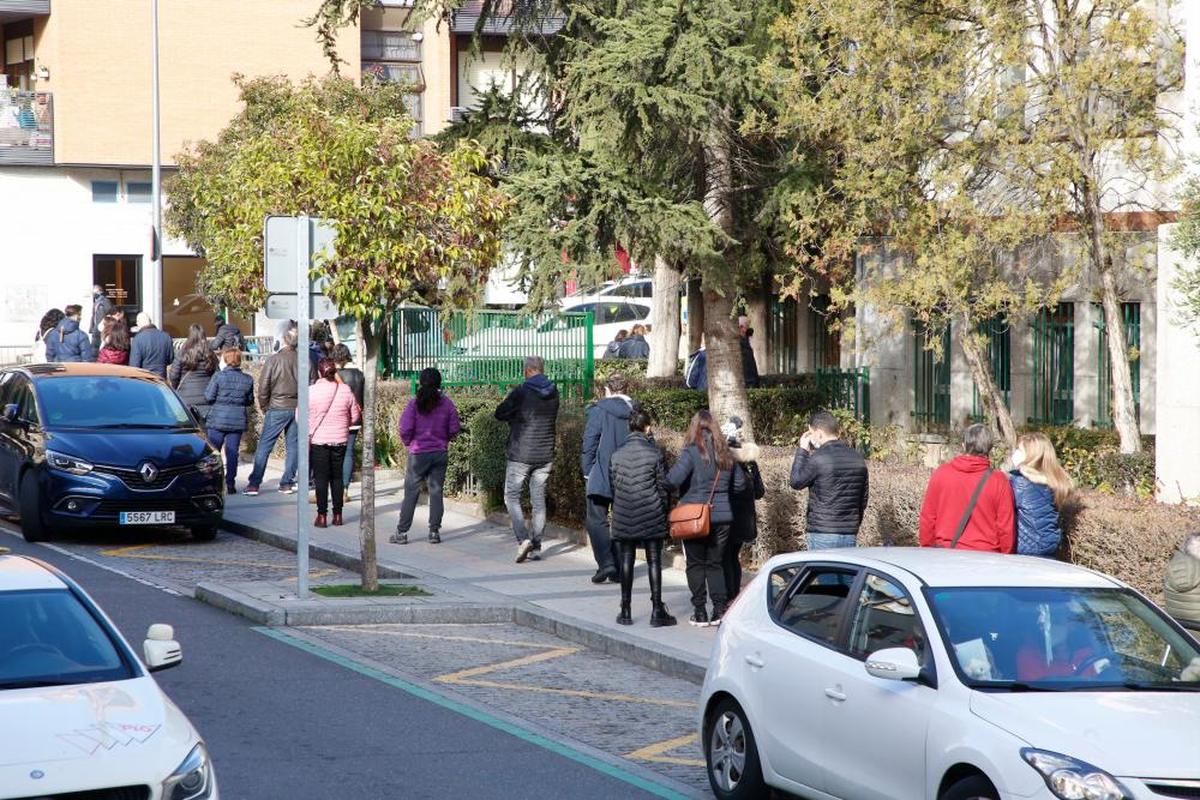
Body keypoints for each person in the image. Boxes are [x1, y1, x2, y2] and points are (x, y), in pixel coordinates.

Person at [668, 410, 745, 627]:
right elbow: (739, 485)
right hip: (722, 518)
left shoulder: (691, 452)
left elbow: (673, 479)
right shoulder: (726, 454)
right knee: (715, 564)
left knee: (694, 564)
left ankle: (699, 611)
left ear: (693, 429)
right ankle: (719, 610)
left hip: (693, 516)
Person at [609, 406, 676, 627]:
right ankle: (657, 609)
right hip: (651, 512)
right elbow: (663, 487)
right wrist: (663, 511)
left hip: (624, 512)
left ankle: (625, 609)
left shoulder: (616, 455)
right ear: (647, 428)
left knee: (626, 559)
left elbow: (614, 487)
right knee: (654, 560)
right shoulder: (654, 453)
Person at [495, 356, 560, 563]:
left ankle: (523, 539)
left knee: (511, 497)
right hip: (544, 453)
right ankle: (537, 546)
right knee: (538, 501)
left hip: (521, 453)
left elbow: (500, 413)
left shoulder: (521, 391)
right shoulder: (554, 391)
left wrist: (512, 411)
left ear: (529, 370)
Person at [919, 423, 1015, 552]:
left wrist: (928, 550)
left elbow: (928, 519)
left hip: (945, 555)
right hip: (987, 558)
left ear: (963, 445)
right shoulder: (998, 481)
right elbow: (1005, 528)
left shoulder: (941, 474)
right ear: (990, 449)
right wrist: (1006, 556)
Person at [391, 368, 461, 545]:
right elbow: (454, 428)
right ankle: (434, 532)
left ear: (420, 382)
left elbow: (405, 428)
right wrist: (445, 440)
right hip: (439, 453)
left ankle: (401, 532)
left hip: (418, 454)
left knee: (411, 493)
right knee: (436, 492)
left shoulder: (414, 404)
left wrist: (409, 443)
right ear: (439, 383)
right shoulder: (447, 404)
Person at [581, 373, 635, 583]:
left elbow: (590, 441)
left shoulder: (600, 410)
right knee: (622, 521)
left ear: (608, 389)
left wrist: (587, 471)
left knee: (596, 520)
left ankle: (606, 563)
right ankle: (620, 567)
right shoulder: (636, 410)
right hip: (629, 473)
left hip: (602, 471)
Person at [789, 411, 869, 549]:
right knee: (846, 571)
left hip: (822, 531)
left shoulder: (818, 458)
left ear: (819, 433)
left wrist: (803, 450)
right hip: (849, 531)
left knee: (823, 570)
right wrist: (853, 523)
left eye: (811, 433)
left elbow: (796, 481)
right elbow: (863, 498)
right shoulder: (857, 458)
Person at [245, 328, 301, 496]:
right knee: (294, 447)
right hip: (297, 407)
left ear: (283, 341)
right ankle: (286, 483)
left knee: (264, 446)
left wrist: (264, 407)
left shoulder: (273, 360)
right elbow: (311, 383)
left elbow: (263, 387)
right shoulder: (304, 360)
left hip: (277, 407)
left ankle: (254, 484)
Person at [307, 357, 361, 528]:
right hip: (340, 440)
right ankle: (338, 515)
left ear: (318, 373)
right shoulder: (345, 390)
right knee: (337, 478)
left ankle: (321, 516)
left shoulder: (311, 391)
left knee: (321, 478)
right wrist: (344, 424)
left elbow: (300, 415)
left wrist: (311, 427)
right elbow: (355, 416)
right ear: (334, 372)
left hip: (319, 441)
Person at [1009, 432, 1073, 557]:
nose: (1015, 453)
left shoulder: (1020, 483)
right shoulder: (1055, 482)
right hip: (1049, 547)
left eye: (1019, 450)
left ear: (1032, 456)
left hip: (1025, 550)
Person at [204, 348, 255, 495]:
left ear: (225, 360)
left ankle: (211, 483)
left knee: (213, 453)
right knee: (232, 453)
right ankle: (230, 484)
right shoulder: (248, 379)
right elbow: (249, 401)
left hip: (217, 419)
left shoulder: (218, 377)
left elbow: (208, 396)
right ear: (239, 361)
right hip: (237, 420)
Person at [725, 416, 765, 596]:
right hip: (744, 519)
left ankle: (729, 595)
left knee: (725, 558)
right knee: (734, 557)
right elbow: (759, 492)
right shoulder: (750, 462)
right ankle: (734, 595)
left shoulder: (724, 462)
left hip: (726, 516)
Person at [332, 344, 365, 505]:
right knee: (348, 453)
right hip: (355, 420)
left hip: (337, 420)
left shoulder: (334, 375)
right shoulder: (359, 374)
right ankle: (345, 489)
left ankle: (334, 488)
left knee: (334, 453)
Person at [169, 324, 218, 426]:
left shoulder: (182, 353)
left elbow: (173, 375)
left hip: (185, 399)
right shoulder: (210, 354)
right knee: (204, 434)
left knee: (186, 431)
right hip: (206, 399)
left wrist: (175, 387)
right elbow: (217, 376)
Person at [129, 312, 174, 379]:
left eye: (137, 323)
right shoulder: (166, 336)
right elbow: (170, 359)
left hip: (145, 380)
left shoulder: (138, 339)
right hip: (161, 379)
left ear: (139, 322)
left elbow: (134, 365)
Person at [89, 285, 115, 354]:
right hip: (97, 328)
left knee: (98, 349)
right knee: (95, 349)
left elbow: (109, 313)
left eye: (95, 292)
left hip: (101, 328)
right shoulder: (97, 302)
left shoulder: (104, 302)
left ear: (100, 291)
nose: (93, 294)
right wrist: (91, 328)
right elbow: (94, 316)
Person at [738, 317, 760, 389]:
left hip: (751, 382)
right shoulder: (739, 344)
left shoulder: (745, 341)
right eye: (748, 326)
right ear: (741, 327)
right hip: (748, 383)